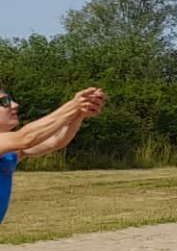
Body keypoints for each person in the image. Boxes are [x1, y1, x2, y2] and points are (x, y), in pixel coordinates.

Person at [0, 88, 107, 225]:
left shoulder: (11, 151)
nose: (15, 105)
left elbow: (55, 141)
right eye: (4, 101)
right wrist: (74, 105)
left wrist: (79, 114)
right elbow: (26, 138)